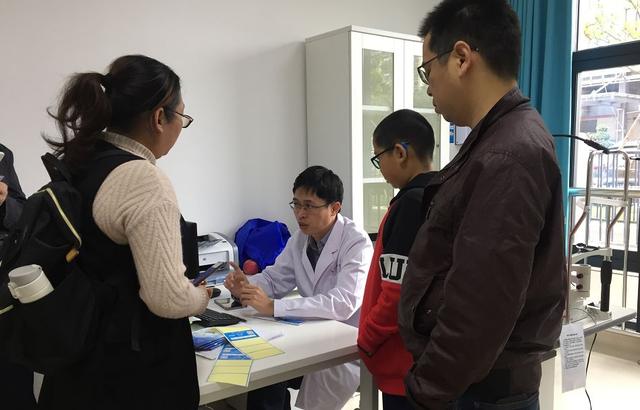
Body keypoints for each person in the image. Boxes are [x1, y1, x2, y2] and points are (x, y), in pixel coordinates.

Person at [397, 1, 566, 409]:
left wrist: (425, 390)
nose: (428, 86)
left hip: (477, 392)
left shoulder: (508, 153)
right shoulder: (498, 140)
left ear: (461, 58)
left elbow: (482, 304)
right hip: (474, 384)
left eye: (428, 70)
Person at [37, 55, 211, 410]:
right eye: (182, 117)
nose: (181, 128)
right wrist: (201, 297)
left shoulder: (83, 160)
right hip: (129, 373)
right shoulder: (143, 179)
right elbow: (167, 299)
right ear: (159, 118)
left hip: (77, 361)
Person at [224, 165, 373, 410]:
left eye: (309, 206)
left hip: (343, 344)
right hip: (308, 333)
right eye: (296, 204)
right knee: (265, 370)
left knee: (274, 370)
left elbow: (343, 303)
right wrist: (246, 286)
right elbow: (275, 279)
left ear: (334, 208)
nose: (300, 214)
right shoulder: (300, 238)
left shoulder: (356, 242)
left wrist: (274, 306)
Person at [357, 109, 436, 410]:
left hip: (401, 362)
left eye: (379, 158)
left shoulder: (410, 205)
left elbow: (396, 293)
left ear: (400, 153)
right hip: (429, 362)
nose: (380, 168)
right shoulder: (442, 194)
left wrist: (367, 338)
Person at [0, 144, 35, 410]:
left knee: (13, 387)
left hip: (4, 297)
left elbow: (22, 213)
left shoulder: (2, 154)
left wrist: (3, 203)